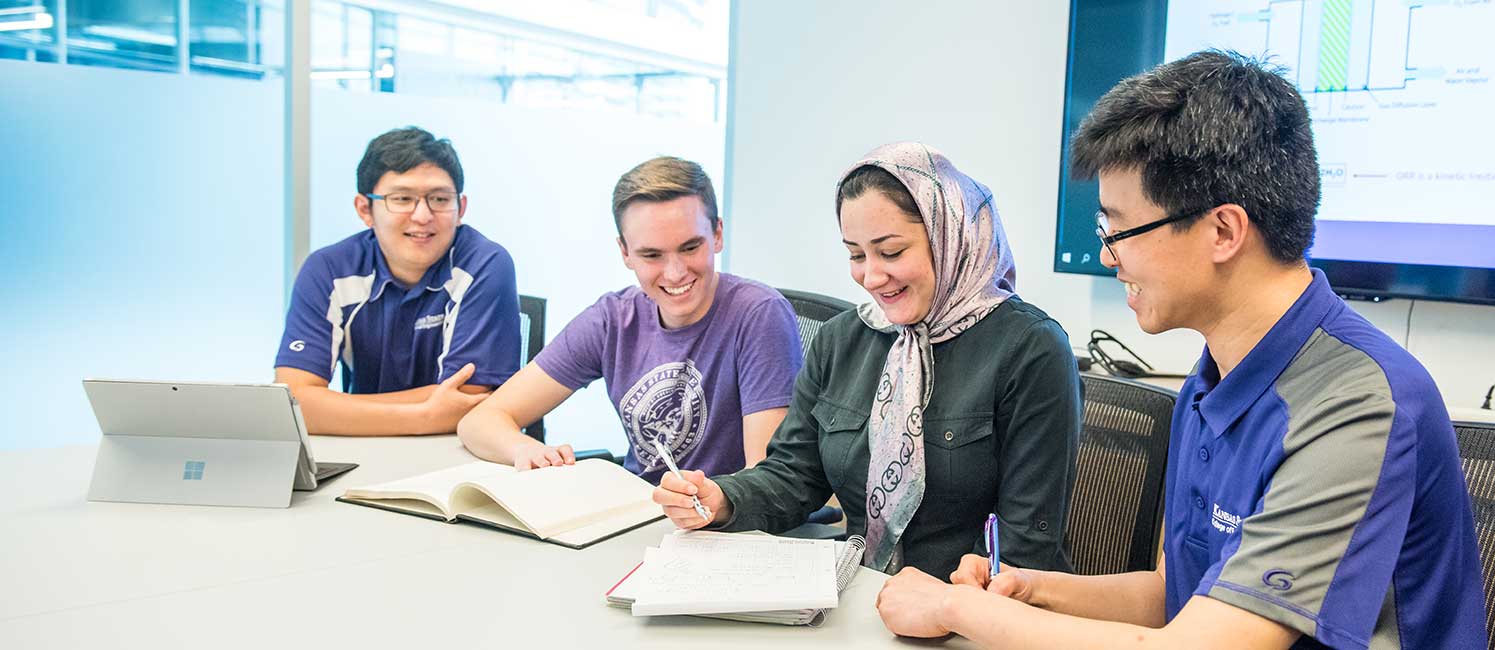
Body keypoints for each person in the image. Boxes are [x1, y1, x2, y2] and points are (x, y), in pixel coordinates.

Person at [875, 51, 1489, 650]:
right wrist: (1031, 592)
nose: (1108, 255)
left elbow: (1209, 642)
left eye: (1120, 231)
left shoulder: (1360, 403)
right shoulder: (1214, 376)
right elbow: (1175, 595)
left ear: (1223, 231)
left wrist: (957, 609)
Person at [652, 142, 1081, 580]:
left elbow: (1025, 543)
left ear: (949, 237)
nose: (871, 277)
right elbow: (795, 475)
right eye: (856, 255)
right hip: (860, 590)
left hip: (973, 609)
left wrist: (950, 602)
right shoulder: (842, 341)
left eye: (891, 252)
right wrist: (721, 498)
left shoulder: (1030, 350)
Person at [457, 156, 802, 482]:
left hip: (728, 527)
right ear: (625, 252)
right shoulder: (612, 321)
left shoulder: (759, 315)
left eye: (690, 247)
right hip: (643, 517)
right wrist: (526, 450)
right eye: (652, 255)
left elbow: (765, 479)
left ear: (717, 235)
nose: (675, 272)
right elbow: (479, 421)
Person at [274, 127, 519, 436]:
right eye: (402, 198)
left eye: (439, 199)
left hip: (457, 449)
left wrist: (332, 408)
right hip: (363, 448)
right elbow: (293, 402)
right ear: (365, 209)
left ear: (461, 209)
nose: (422, 215)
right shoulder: (328, 269)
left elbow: (468, 400)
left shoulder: (485, 264)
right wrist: (424, 416)